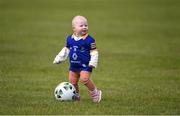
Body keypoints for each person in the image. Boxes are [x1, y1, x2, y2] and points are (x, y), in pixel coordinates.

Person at [53, 15, 102, 103]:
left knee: (84, 79)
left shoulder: (89, 40)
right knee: (72, 82)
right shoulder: (70, 39)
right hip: (74, 65)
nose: (84, 27)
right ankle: (76, 96)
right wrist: (59, 58)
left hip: (85, 65)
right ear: (74, 28)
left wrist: (93, 63)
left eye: (86, 25)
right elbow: (66, 50)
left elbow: (94, 52)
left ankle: (95, 93)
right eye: (81, 26)